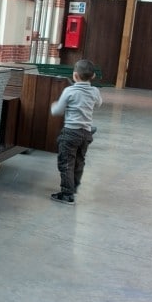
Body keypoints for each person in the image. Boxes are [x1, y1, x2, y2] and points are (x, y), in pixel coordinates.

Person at [49, 59, 103, 205]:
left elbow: (58, 111)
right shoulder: (95, 91)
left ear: (74, 75)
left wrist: (54, 105)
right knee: (79, 161)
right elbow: (99, 104)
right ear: (92, 77)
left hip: (70, 133)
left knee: (66, 162)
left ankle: (67, 194)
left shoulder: (69, 91)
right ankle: (74, 186)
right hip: (86, 133)